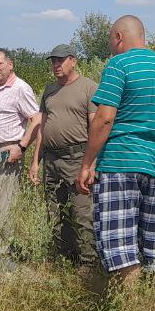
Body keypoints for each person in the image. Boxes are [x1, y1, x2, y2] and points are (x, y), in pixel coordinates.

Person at [76, 15, 155, 294]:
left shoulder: (119, 65)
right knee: (154, 244)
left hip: (120, 163)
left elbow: (104, 118)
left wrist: (87, 163)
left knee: (119, 243)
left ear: (118, 37)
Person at [28, 43, 98, 275]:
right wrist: (35, 161)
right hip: (52, 159)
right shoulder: (49, 90)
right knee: (55, 212)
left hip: (77, 158)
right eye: (53, 61)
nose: (56, 65)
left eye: (60, 60)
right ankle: (64, 259)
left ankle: (88, 264)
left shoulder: (88, 88)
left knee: (82, 212)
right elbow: (43, 127)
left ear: (73, 61)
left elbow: (96, 127)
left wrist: (92, 165)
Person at [0, 48, 40, 255]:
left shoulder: (20, 88)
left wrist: (21, 147)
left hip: (6, 152)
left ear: (10, 64)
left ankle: (4, 253)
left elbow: (36, 119)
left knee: (3, 204)